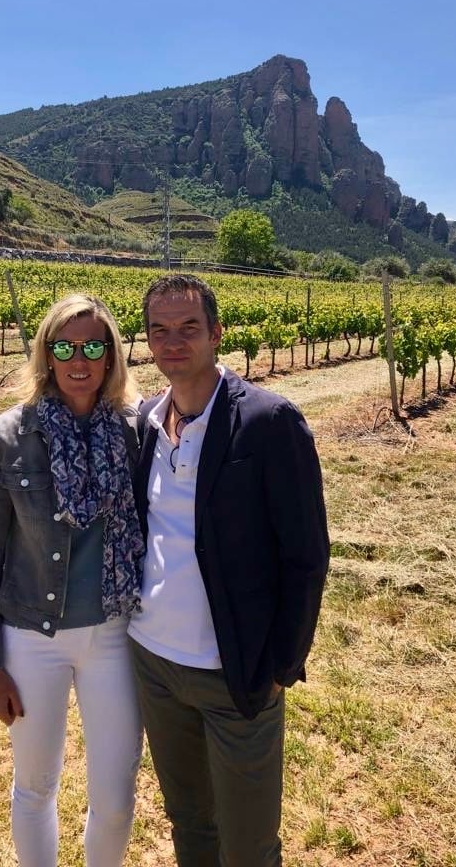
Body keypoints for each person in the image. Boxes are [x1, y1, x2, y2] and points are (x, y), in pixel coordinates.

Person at [127, 274, 329, 867]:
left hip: (234, 672)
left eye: (189, 328)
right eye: (160, 330)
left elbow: (306, 557)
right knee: (190, 822)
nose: (173, 342)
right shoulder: (145, 421)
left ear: (216, 334)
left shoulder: (268, 423)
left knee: (248, 846)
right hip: (155, 663)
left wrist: (282, 667)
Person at [0, 294, 145, 867]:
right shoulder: (8, 437)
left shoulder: (133, 432)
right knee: (35, 786)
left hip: (115, 634)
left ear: (111, 355)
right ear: (45, 353)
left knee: (116, 800)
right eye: (64, 346)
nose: (79, 360)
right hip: (31, 637)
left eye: (94, 346)